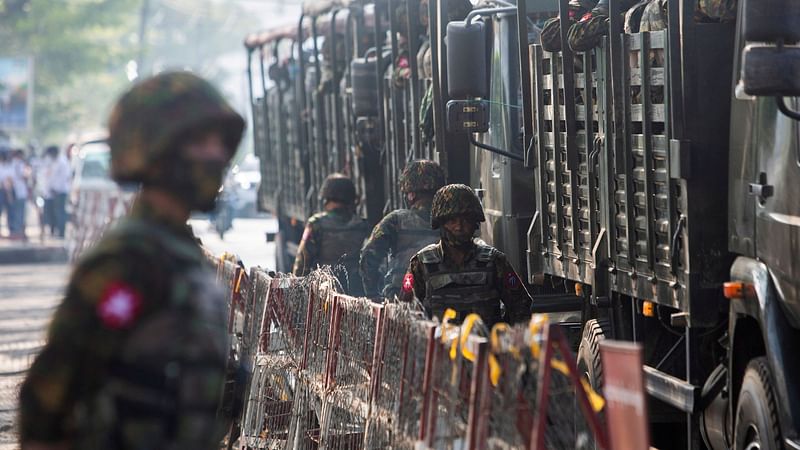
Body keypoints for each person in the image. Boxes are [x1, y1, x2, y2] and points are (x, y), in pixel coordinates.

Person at [18, 71, 246, 450]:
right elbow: (51, 395)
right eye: (202, 143)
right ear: (158, 149)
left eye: (220, 144)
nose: (217, 156)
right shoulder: (130, 260)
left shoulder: (181, 254)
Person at [399, 184, 532, 328]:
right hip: (441, 347)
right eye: (452, 221)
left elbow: (521, 305)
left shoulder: (494, 261)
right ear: (441, 224)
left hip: (486, 347)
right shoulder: (421, 264)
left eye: (466, 220)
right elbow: (405, 311)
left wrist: (503, 338)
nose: (459, 227)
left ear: (474, 223)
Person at [360, 160, 445, 299]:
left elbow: (368, 256)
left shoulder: (396, 220)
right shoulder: (451, 221)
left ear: (411, 194)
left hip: (401, 299)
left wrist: (372, 294)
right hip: (443, 297)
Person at [293, 173, 369, 297]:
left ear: (326, 198)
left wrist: (297, 292)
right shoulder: (362, 225)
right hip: (357, 295)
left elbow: (303, 261)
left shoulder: (316, 224)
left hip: (325, 293)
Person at [45, 145, 72, 237]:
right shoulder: (53, 162)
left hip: (60, 191)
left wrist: (56, 189)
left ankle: (61, 233)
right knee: (52, 213)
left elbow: (64, 178)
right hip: (52, 192)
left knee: (60, 212)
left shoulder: (62, 162)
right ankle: (55, 231)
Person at [8, 148, 30, 240]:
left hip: (13, 192)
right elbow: (25, 176)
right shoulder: (19, 164)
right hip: (20, 192)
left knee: (14, 212)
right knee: (20, 213)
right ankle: (18, 232)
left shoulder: (10, 164)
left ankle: (15, 231)